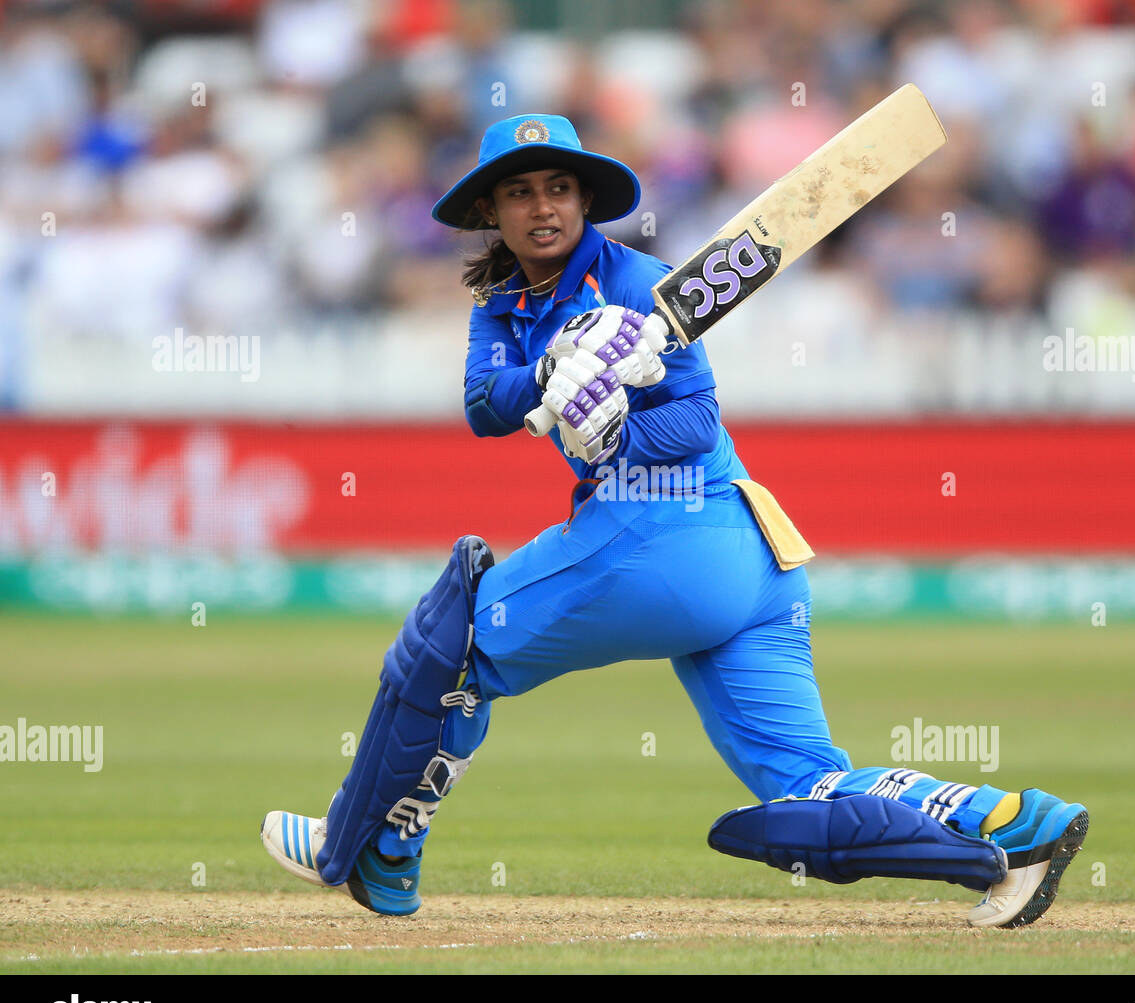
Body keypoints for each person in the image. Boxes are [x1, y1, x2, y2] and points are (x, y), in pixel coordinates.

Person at [261, 113, 1088, 929]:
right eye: (520, 193)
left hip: (665, 532)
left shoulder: (640, 285)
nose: (542, 207)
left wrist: (619, 426)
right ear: (491, 212)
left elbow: (694, 423)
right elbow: (485, 406)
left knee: (452, 645)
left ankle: (371, 848)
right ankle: (1013, 827)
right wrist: (550, 373)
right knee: (804, 780)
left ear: (585, 200)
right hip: (753, 560)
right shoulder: (502, 305)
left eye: (558, 188)